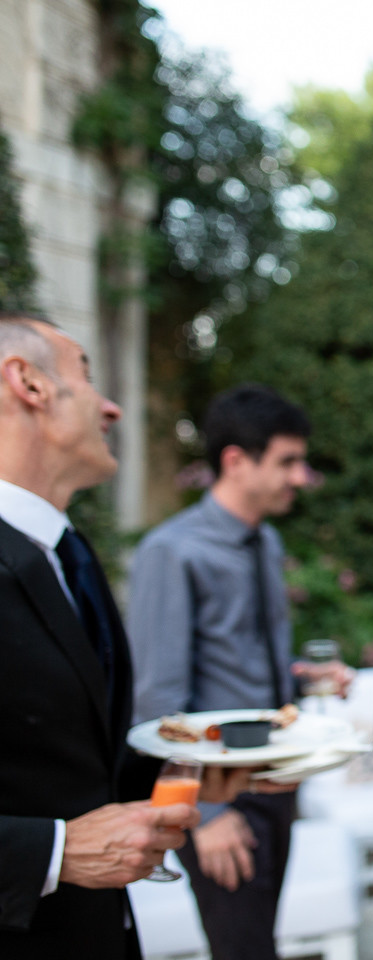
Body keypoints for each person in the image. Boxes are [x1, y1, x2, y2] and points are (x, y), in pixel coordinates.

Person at [0, 313, 201, 960]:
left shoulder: (70, 552)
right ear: (26, 383)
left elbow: (57, 758)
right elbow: (64, 830)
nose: (110, 407)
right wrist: (55, 853)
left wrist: (172, 772)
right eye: (86, 375)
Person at [127, 383, 337, 960]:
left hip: (275, 783)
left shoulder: (265, 541)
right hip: (220, 796)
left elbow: (244, 665)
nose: (301, 476)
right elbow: (156, 699)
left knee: (259, 943)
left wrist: (307, 681)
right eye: (288, 461)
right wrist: (208, 814)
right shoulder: (170, 553)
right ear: (235, 461)